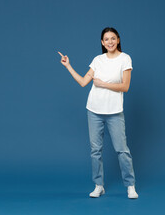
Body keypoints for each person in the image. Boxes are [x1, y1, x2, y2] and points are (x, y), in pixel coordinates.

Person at [58, 27, 138, 199]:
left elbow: (125, 86)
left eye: (112, 38)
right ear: (102, 42)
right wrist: (68, 66)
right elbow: (83, 82)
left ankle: (130, 185)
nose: (110, 42)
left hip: (115, 111)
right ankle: (98, 185)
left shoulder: (125, 59)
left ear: (118, 40)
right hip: (94, 110)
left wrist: (103, 84)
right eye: (106, 39)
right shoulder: (97, 60)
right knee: (95, 150)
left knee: (122, 150)